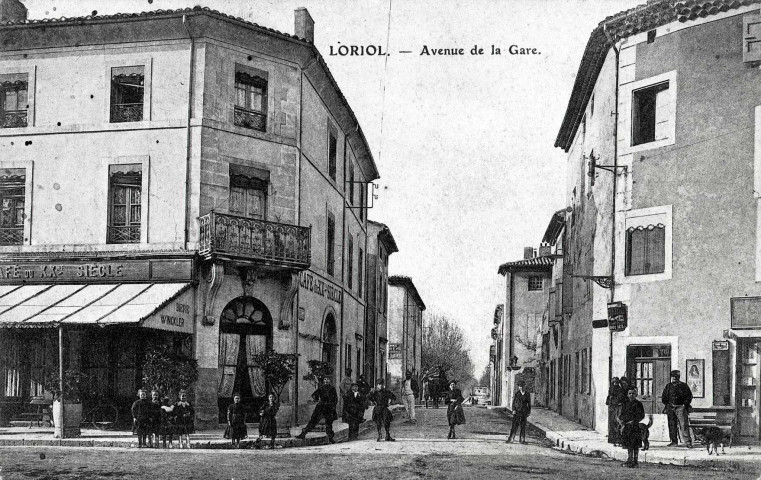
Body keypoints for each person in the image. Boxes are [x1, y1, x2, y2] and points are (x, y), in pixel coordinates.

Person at [296, 377, 339, 443]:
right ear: (323, 380)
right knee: (313, 421)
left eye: (328, 379)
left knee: (329, 424)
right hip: (321, 407)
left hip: (329, 407)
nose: (326, 380)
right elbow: (314, 395)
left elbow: (335, 399)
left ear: (330, 380)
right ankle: (303, 433)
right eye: (325, 379)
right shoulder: (321, 388)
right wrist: (317, 400)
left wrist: (332, 405)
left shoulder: (332, 389)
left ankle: (331, 438)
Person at [661, 369, 693, 448]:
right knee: (672, 425)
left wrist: (684, 405)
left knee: (684, 425)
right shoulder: (668, 386)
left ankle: (688, 442)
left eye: (676, 376)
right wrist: (668, 405)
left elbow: (689, 396)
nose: (674, 378)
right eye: (673, 376)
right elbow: (664, 397)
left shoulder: (683, 386)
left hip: (680, 408)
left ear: (679, 377)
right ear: (671, 377)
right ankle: (674, 441)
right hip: (670, 408)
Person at [618, 387, 645, 468]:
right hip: (627, 427)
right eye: (629, 393)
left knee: (635, 445)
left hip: (635, 427)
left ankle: (635, 461)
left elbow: (641, 415)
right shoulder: (625, 404)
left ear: (636, 394)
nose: (631, 395)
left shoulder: (638, 404)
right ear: (627, 394)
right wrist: (622, 421)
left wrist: (634, 421)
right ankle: (629, 460)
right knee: (629, 444)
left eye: (633, 393)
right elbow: (622, 414)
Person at [606, 377, 622, 445]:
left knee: (617, 424)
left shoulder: (620, 390)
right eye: (613, 382)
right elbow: (607, 401)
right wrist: (610, 399)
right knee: (611, 424)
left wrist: (614, 400)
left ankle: (618, 439)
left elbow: (620, 399)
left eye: (616, 382)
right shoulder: (610, 390)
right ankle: (612, 439)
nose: (615, 384)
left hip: (617, 408)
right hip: (611, 409)